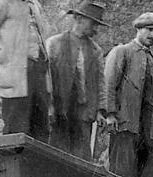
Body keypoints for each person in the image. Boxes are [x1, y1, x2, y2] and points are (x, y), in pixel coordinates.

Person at [101, 12, 153, 177]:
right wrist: (110, 114)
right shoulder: (122, 52)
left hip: (149, 132)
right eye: (150, 30)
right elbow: (108, 84)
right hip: (125, 125)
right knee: (121, 176)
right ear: (138, 29)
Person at [0, 0, 52, 140]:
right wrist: (2, 65)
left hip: (39, 73)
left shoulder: (34, 4)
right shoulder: (0, 3)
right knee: (16, 131)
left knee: (41, 131)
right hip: (16, 76)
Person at [45, 0, 107, 159]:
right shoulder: (54, 43)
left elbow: (101, 82)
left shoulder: (96, 51)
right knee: (56, 153)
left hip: (84, 112)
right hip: (60, 110)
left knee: (81, 156)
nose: (95, 29)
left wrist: (101, 110)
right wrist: (49, 105)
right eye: (93, 23)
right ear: (79, 19)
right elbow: (46, 77)